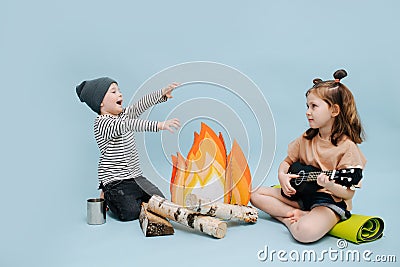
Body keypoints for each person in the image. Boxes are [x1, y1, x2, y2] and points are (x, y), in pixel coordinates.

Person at [251, 69, 366, 243]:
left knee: (304, 233)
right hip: (302, 194)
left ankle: (289, 220)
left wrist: (329, 185)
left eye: (314, 106)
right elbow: (287, 162)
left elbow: (348, 194)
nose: (307, 111)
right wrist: (282, 176)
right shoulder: (306, 138)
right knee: (252, 193)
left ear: (334, 110)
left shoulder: (347, 148)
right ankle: (295, 215)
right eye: (307, 106)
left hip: (328, 201)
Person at [76, 77, 180, 221]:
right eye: (113, 92)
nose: (120, 94)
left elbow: (139, 106)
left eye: (119, 90)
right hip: (116, 181)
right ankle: (108, 194)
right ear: (100, 102)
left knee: (161, 202)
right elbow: (128, 125)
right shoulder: (102, 123)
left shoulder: (123, 115)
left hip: (136, 177)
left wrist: (161, 93)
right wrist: (159, 125)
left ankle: (135, 199)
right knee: (129, 213)